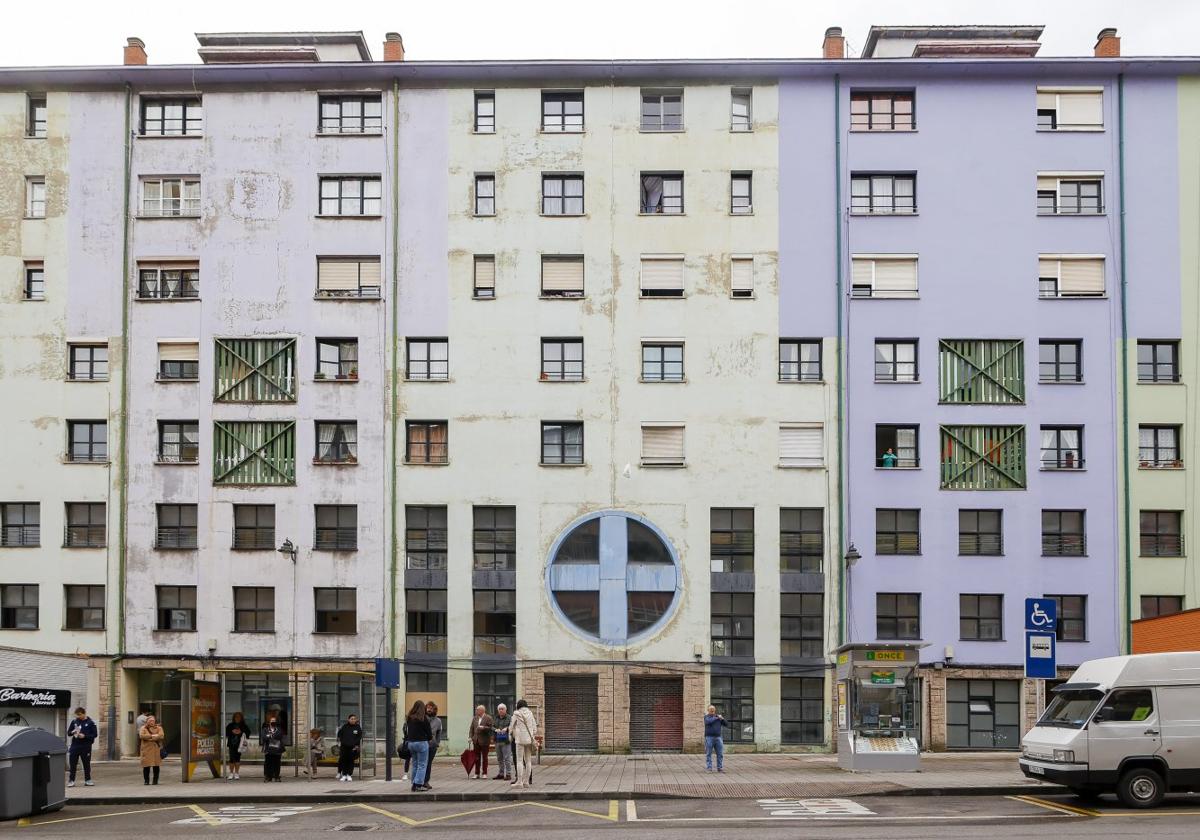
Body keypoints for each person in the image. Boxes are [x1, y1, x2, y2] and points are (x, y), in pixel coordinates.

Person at [509, 699, 538, 789]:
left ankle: (519, 782)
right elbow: (535, 728)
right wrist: (531, 735)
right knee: (528, 761)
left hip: (519, 740)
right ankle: (526, 782)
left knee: (519, 761)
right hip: (529, 740)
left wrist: (512, 734)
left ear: (518, 705)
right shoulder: (530, 713)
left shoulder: (516, 714)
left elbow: (511, 727)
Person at [405, 700, 433, 792]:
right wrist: (429, 738)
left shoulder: (409, 718)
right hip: (421, 743)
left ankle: (413, 783)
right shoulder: (423, 718)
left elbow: (407, 731)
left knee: (415, 764)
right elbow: (429, 734)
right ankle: (418, 785)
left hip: (411, 743)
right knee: (422, 765)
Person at [66, 706, 97, 787]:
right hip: (75, 746)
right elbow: (69, 733)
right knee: (73, 763)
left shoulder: (91, 723)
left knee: (86, 764)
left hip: (85, 746)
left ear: (84, 713)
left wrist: (85, 736)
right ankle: (71, 780)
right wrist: (73, 732)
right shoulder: (75, 721)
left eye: (79, 715)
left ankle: (88, 780)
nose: (78, 716)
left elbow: (94, 734)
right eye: (77, 715)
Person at [467, 705, 493, 779]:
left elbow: (491, 728)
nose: (476, 711)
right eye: (476, 710)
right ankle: (476, 773)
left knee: (485, 758)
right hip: (476, 741)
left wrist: (484, 728)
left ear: (482, 710)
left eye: (477, 710)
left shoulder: (488, 718)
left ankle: (484, 773)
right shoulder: (475, 718)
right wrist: (470, 737)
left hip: (485, 741)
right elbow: (471, 728)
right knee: (476, 758)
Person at [139, 714, 165, 785]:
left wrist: (150, 738)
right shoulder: (143, 728)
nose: (152, 722)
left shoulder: (159, 728)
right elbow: (142, 736)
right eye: (150, 720)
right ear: (147, 721)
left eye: (153, 720)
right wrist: (153, 736)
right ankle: (146, 781)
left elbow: (161, 736)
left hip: (156, 750)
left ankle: (155, 781)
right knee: (146, 766)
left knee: (156, 766)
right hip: (146, 750)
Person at [335, 714, 362, 782]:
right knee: (344, 761)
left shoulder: (357, 727)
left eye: (354, 719)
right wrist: (342, 741)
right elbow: (339, 735)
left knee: (350, 761)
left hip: (353, 747)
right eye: (351, 719)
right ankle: (344, 775)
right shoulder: (344, 727)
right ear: (348, 719)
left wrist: (356, 745)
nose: (353, 720)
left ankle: (349, 775)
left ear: (356, 720)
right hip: (344, 747)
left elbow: (359, 737)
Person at [704, 705, 730, 772]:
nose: (712, 710)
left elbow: (726, 724)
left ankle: (720, 768)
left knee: (720, 754)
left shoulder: (718, 717)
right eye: (711, 709)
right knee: (708, 753)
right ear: (708, 710)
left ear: (715, 710)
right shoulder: (706, 717)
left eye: (713, 709)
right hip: (709, 738)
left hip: (718, 738)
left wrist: (722, 719)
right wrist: (717, 718)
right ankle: (709, 768)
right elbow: (708, 722)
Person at [224, 712, 250, 781]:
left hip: (240, 745)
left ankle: (237, 773)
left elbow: (248, 733)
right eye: (236, 717)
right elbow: (226, 733)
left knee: (237, 758)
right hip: (231, 744)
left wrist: (241, 732)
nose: (237, 718)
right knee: (231, 758)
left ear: (241, 718)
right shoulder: (230, 725)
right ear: (234, 718)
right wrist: (232, 731)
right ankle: (231, 773)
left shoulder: (244, 725)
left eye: (239, 717)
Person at [260, 716, 285, 782]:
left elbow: (279, 736)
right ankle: (268, 776)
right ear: (269, 722)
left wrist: (270, 736)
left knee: (277, 762)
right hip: (268, 749)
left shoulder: (279, 729)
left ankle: (276, 776)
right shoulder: (265, 729)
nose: (273, 722)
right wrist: (272, 736)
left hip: (277, 749)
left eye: (274, 721)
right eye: (272, 721)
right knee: (268, 762)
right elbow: (264, 737)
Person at [492, 703, 513, 781]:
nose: (501, 710)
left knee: (507, 758)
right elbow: (492, 726)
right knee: (499, 758)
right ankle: (501, 773)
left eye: (502, 709)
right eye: (499, 709)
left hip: (506, 741)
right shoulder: (496, 717)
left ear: (505, 710)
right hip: (497, 740)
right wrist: (495, 729)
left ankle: (508, 774)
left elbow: (512, 726)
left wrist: (507, 728)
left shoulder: (509, 717)